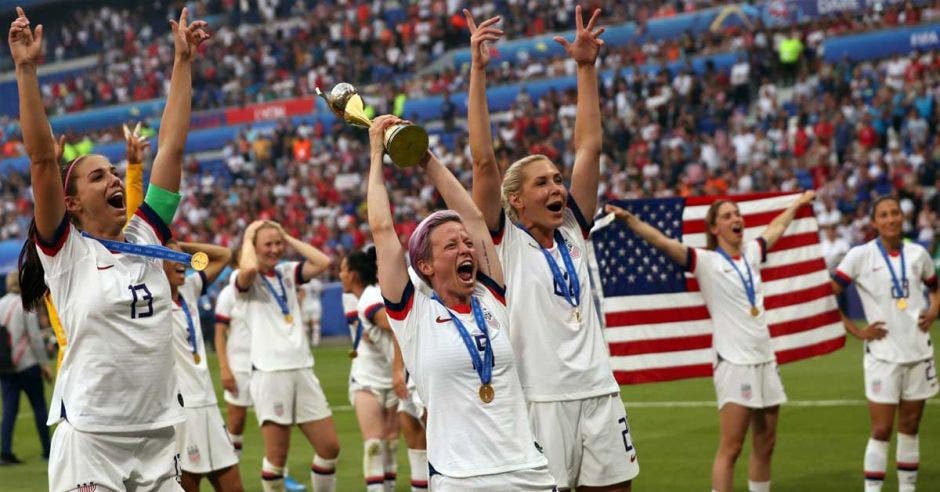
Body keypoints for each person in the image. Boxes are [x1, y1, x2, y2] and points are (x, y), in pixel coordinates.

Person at [12, 6, 209, 491]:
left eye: (114, 172)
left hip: (161, 437)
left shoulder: (148, 236)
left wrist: (183, 63)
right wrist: (26, 69)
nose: (114, 178)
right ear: (72, 201)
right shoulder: (65, 252)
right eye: (98, 175)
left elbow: (172, 149)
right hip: (93, 442)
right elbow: (41, 159)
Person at [464, 7, 637, 490]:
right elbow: (482, 162)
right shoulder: (504, 242)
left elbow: (589, 147)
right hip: (541, 399)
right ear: (516, 198)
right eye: (542, 182)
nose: (557, 187)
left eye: (558, 180)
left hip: (600, 390)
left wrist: (586, 69)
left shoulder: (574, 231)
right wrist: (478, 72)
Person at [367, 115, 554, 490]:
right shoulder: (414, 315)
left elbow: (473, 216)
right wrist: (376, 156)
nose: (466, 248)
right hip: (460, 478)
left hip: (528, 472)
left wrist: (424, 157)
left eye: (466, 243)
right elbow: (383, 232)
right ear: (425, 265)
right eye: (451, 245)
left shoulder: (491, 296)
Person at [607, 190, 816, 492]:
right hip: (733, 361)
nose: (737, 219)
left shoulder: (752, 254)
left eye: (737, 214)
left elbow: (776, 228)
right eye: (728, 216)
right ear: (714, 228)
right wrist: (630, 220)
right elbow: (663, 242)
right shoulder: (704, 261)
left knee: (766, 442)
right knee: (731, 448)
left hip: (765, 358)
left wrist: (796, 204)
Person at [830, 196, 938, 492]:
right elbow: (829, 294)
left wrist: (934, 309)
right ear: (875, 222)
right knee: (880, 430)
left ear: (902, 219)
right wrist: (855, 329)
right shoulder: (859, 255)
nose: (891, 219)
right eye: (884, 215)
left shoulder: (918, 253)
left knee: (911, 428)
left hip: (919, 352)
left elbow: (934, 287)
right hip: (882, 355)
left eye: (895, 213)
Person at [233, 220, 339, 492]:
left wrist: (288, 236)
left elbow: (323, 261)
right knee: (277, 457)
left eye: (277, 243)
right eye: (268, 244)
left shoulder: (288, 272)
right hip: (270, 373)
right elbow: (249, 268)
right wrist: (248, 236)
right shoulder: (245, 280)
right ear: (254, 247)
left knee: (329, 447)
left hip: (302, 368)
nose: (275, 249)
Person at [162, 240, 243, 491]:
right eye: (172, 257)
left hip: (208, 405)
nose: (182, 262)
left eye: (182, 257)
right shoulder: (151, 302)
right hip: (181, 411)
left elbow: (225, 255)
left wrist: (181, 245)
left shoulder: (190, 288)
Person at [339, 247, 401, 491]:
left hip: (395, 374)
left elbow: (396, 324)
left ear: (353, 274)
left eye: (342, 271)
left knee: (391, 444)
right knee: (375, 445)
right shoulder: (364, 296)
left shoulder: (369, 298)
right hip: (366, 375)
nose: (340, 275)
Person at [0, 272, 51, 465]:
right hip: (27, 363)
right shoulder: (25, 304)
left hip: (6, 366)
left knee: (9, 410)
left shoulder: (1, 304)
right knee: (39, 406)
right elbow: (35, 337)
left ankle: (5, 452)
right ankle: (48, 449)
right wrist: (45, 363)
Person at [215, 249, 251, 458]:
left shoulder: (262, 288)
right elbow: (219, 334)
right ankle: (232, 468)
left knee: (275, 422)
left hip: (266, 365)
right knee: (236, 422)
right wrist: (225, 369)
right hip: (239, 366)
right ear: (236, 265)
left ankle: (280, 470)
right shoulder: (228, 294)